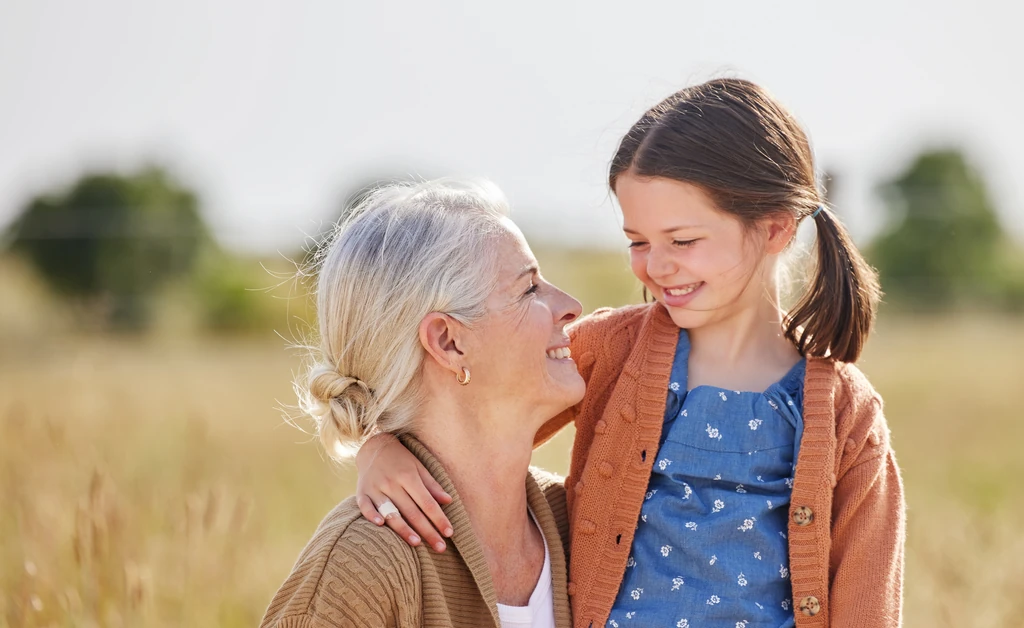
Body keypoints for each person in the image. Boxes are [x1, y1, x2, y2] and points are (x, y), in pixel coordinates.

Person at [355, 78, 907, 627]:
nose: (656, 266)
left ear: (774, 229)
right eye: (638, 241)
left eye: (682, 241)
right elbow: (467, 418)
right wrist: (380, 447)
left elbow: (868, 601)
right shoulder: (614, 350)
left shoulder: (843, 413)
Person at [261, 180, 582, 628]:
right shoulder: (363, 565)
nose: (572, 306)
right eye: (529, 290)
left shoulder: (586, 522)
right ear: (449, 342)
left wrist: (376, 445)